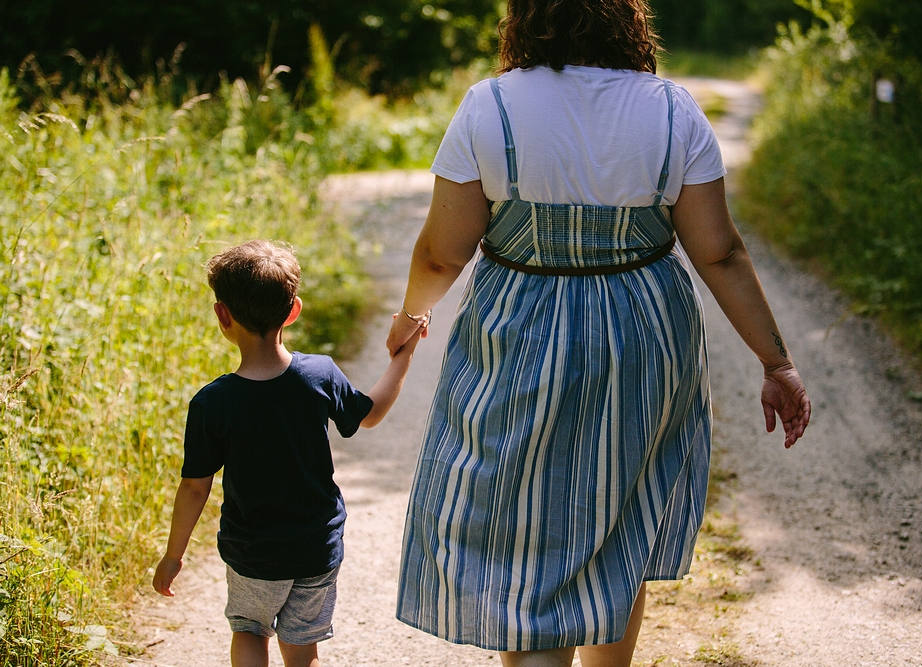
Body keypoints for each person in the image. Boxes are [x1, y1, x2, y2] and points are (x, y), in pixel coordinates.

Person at [385, 1, 811, 665]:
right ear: (626, 20)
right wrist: (775, 360)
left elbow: (444, 252)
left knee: (520, 515)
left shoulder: (489, 106)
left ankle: (537, 651)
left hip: (515, 334)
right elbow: (719, 251)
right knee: (620, 509)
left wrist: (412, 312)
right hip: (642, 334)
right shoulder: (672, 109)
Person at [152, 239, 421, 667]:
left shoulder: (212, 402)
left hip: (252, 552)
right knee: (302, 652)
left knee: (248, 629)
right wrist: (404, 355)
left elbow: (193, 487)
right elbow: (368, 416)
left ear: (223, 315)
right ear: (293, 311)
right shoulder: (318, 375)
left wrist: (174, 555)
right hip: (315, 547)